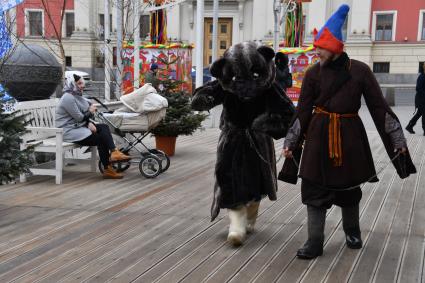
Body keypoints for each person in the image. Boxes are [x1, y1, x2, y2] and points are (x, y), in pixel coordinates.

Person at [281, 4, 416, 260]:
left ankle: (352, 232)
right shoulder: (312, 74)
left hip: (350, 139)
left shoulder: (360, 71)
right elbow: (302, 112)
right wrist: (291, 141)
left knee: (349, 190)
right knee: (313, 190)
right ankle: (314, 241)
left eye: (320, 47)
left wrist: (397, 139)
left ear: (333, 47)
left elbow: (380, 108)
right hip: (318, 140)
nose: (315, 51)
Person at [55, 74, 131, 179]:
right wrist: (89, 114)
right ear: (71, 83)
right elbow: (80, 118)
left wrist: (88, 123)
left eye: (83, 83)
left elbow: (80, 117)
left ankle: (114, 152)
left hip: (77, 127)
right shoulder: (68, 98)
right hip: (68, 131)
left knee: (103, 127)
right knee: (101, 139)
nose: (82, 86)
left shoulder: (76, 95)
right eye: (79, 83)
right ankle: (108, 168)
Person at [405, 64, 425, 135]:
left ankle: (409, 126)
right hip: (421, 99)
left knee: (419, 113)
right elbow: (418, 88)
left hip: (422, 99)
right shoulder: (422, 77)